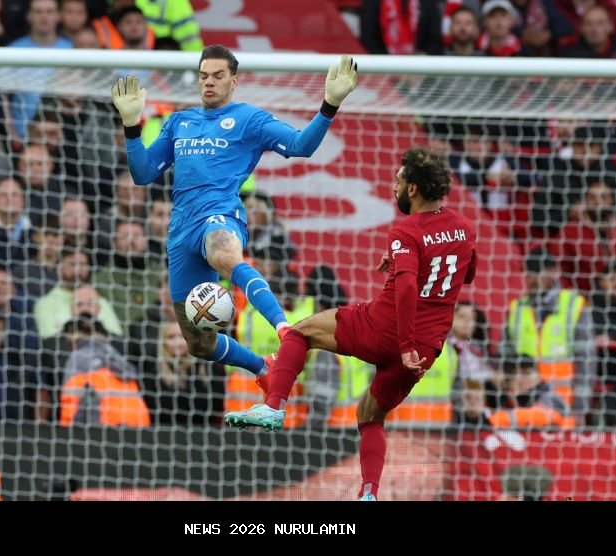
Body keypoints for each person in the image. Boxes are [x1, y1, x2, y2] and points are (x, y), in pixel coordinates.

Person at [224, 146, 477, 501]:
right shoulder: (464, 228)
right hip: (426, 348)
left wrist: (402, 340)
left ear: (414, 189)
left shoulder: (405, 231)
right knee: (369, 415)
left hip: (387, 330)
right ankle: (369, 493)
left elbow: (405, 290)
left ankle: (274, 405)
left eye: (398, 180)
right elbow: (465, 274)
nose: (394, 187)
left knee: (301, 331)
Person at [111, 44, 358, 391]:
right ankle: (262, 368)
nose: (208, 82)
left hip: (221, 216)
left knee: (224, 255)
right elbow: (143, 172)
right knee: (199, 344)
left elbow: (301, 145)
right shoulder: (179, 122)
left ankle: (284, 330)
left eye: (217, 76)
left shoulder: (249, 119)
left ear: (234, 81)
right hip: (181, 232)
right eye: (203, 76)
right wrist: (132, 126)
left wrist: (329, 105)